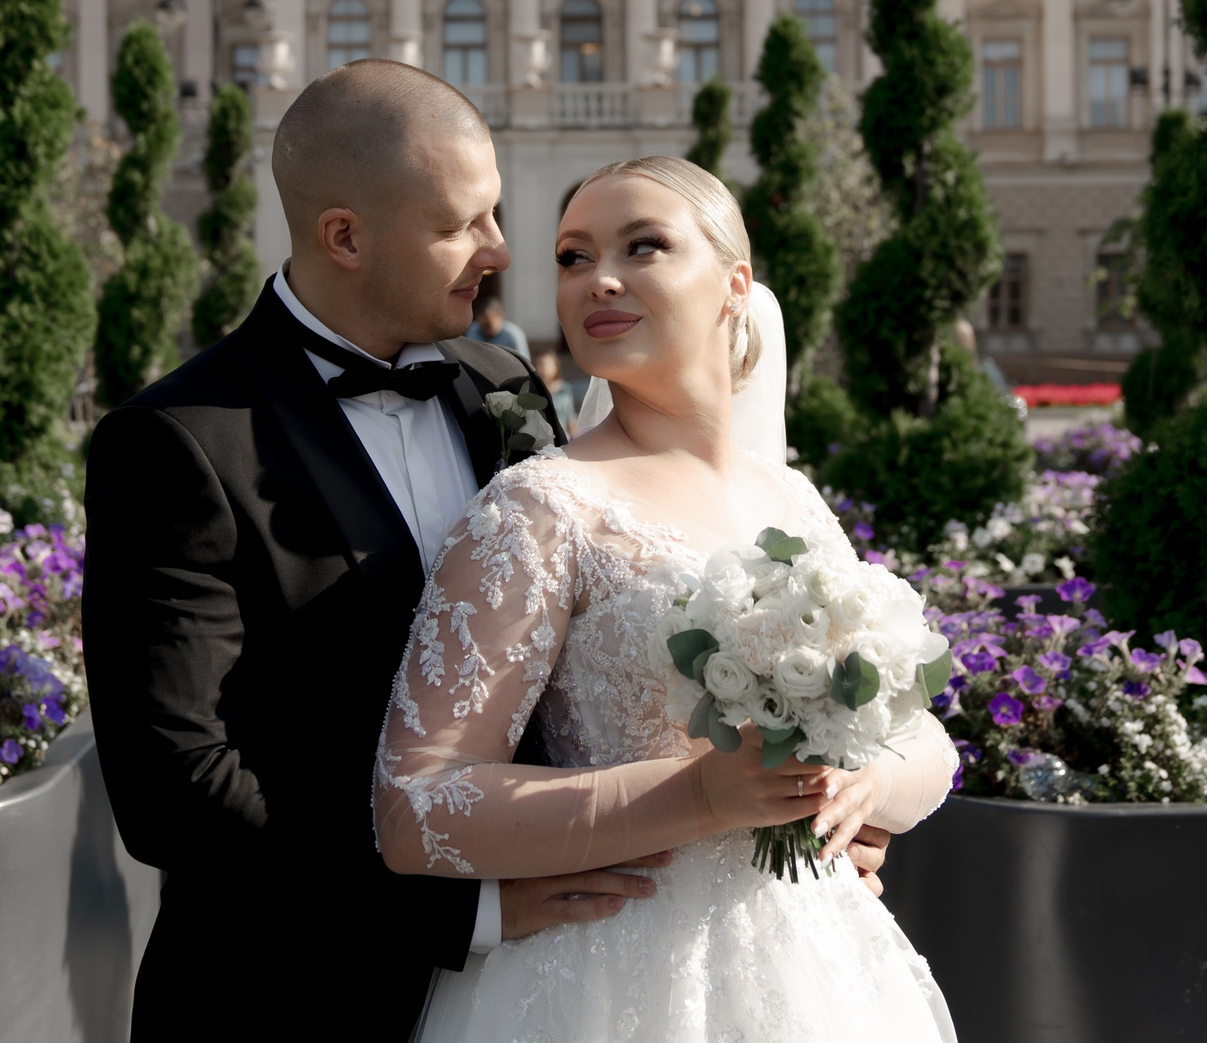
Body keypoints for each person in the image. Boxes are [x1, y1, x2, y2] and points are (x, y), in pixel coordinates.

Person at [83, 67, 894, 1041]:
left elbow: (573, 659)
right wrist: (465, 910)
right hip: (295, 989)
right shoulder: (176, 441)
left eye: (500, 216)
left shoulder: (498, 382)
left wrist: (788, 803)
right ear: (343, 236)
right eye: (462, 224)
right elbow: (175, 790)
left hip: (587, 971)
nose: (500, 251)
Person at [380, 155, 956, 1043]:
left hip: (818, 970)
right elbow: (415, 808)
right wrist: (701, 798)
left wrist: (859, 781)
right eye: (573, 256)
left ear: (735, 283)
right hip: (606, 984)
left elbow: (925, 739)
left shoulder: (792, 499)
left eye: (642, 245)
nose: (597, 277)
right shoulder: (542, 507)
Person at [467, 281, 530, 359]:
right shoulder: (473, 330)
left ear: (501, 317)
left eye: (489, 325)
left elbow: (523, 363)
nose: (486, 331)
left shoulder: (513, 335)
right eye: (483, 326)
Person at [532, 346, 583, 424]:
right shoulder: (533, 388)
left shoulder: (564, 389)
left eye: (547, 364)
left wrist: (574, 435)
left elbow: (570, 416)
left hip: (561, 433)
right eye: (540, 364)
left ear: (555, 367)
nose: (544, 369)